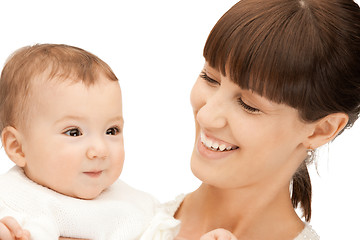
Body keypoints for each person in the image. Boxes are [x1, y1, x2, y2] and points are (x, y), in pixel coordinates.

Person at [167, 0, 359, 239]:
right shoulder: (123, 217)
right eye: (209, 78)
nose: (206, 115)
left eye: (248, 105)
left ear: (321, 130)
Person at [0, 44, 180, 240]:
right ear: (17, 147)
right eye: (74, 132)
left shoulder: (137, 206)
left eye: (112, 131)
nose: (100, 150)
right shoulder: (11, 203)